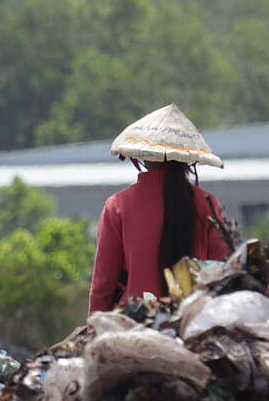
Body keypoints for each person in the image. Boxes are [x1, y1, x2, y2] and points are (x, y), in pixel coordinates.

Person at [88, 104, 230, 314]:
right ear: (187, 160)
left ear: (143, 157)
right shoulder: (208, 203)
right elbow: (223, 273)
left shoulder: (118, 205)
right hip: (194, 322)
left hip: (134, 325)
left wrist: (93, 329)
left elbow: (104, 283)